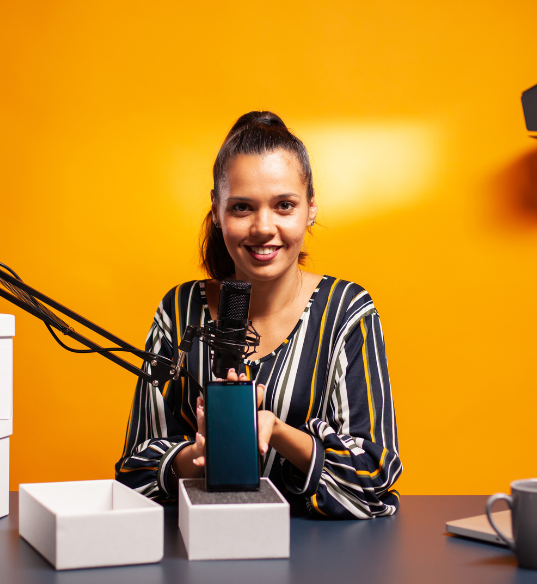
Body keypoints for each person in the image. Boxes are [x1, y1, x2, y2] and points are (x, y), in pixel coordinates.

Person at [115, 111, 402, 519]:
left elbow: (372, 475)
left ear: (311, 208)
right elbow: (133, 471)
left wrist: (275, 431)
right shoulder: (179, 312)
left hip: (317, 566)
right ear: (216, 211)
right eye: (243, 208)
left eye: (284, 205)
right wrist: (195, 457)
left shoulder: (346, 312)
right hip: (198, 551)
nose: (264, 228)